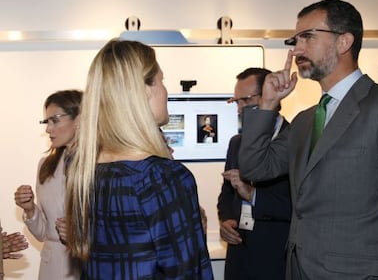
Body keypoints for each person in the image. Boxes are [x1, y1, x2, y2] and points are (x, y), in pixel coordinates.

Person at [238, 0, 378, 280]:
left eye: (307, 37)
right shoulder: (306, 120)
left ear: (343, 42)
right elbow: (255, 168)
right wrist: (268, 105)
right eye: (295, 40)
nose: (296, 50)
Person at [65, 39, 213, 279]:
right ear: (144, 91)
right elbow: (189, 273)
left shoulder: (82, 170)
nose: (166, 91)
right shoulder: (162, 177)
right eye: (162, 80)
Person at [217, 67, 291, 280]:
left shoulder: (296, 140)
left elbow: (300, 207)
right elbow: (226, 194)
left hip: (276, 259)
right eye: (236, 101)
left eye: (245, 100)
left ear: (271, 94)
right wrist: (227, 220)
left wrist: (253, 195)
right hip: (239, 259)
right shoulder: (237, 143)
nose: (239, 109)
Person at [14, 90, 82, 280]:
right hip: (51, 268)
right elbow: (43, 233)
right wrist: (29, 210)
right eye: (47, 122)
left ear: (79, 119)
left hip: (88, 266)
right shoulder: (46, 165)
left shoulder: (102, 164)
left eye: (55, 120)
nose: (48, 129)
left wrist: (83, 235)